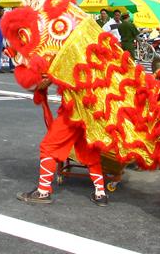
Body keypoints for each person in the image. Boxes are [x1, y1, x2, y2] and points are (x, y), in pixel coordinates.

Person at [19, 73, 109, 207]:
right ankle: (100, 193)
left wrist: (43, 80)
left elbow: (61, 71)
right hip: (92, 111)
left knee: (48, 147)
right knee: (90, 151)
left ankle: (43, 191)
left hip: (73, 112)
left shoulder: (71, 52)